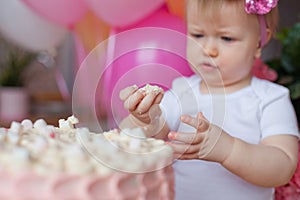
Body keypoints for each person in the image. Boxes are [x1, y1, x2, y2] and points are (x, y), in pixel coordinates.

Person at [118, 0, 299, 199]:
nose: (208, 49)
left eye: (227, 38)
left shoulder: (271, 99)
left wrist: (228, 150)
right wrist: (141, 120)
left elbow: (282, 168)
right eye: (197, 35)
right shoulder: (182, 92)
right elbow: (134, 140)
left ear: (258, 42)